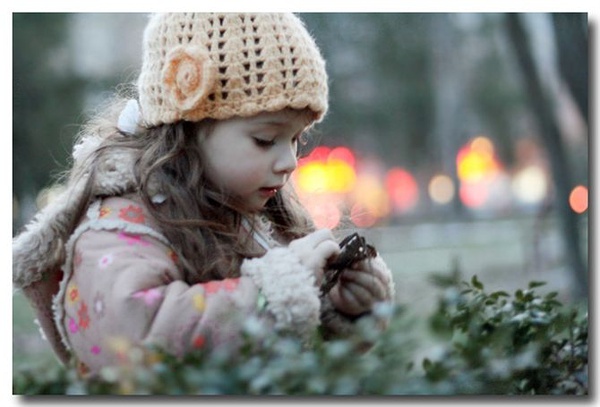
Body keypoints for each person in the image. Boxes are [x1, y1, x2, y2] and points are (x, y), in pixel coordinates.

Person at [13, 12, 395, 376]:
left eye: (296, 139)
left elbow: (293, 364)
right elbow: (130, 339)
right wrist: (267, 295)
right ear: (188, 131)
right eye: (265, 139)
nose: (290, 161)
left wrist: (337, 309)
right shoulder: (122, 226)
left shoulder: (262, 217)